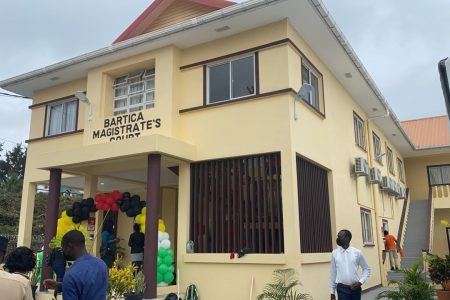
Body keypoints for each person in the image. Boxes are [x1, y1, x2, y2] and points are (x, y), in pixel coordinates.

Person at [44, 230, 108, 300]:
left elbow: (78, 283)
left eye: (63, 248)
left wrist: (65, 282)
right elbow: (88, 286)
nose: (63, 252)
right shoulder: (101, 264)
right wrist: (59, 286)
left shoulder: (71, 275)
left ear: (69, 246)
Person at [330, 229, 371, 300]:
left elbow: (366, 269)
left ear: (347, 238)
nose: (338, 239)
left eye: (340, 237)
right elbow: (333, 273)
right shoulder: (335, 253)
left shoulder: (357, 252)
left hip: (356, 289)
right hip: (342, 289)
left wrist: (360, 282)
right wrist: (332, 291)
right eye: (338, 236)